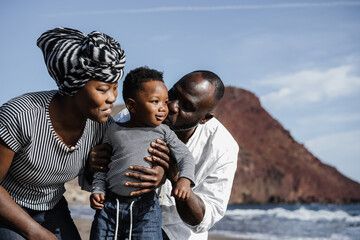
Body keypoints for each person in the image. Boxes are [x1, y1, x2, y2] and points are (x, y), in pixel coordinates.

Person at [0, 27, 127, 240]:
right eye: (103, 89)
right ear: (74, 86)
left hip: (52, 207)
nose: (112, 98)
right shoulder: (21, 116)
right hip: (7, 207)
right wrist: (35, 232)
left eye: (115, 88)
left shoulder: (101, 126)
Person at [114, 70, 239, 239]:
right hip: (126, 221)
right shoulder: (131, 117)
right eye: (173, 94)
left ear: (204, 118)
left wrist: (175, 176)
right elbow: (99, 182)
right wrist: (95, 163)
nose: (171, 106)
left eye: (186, 106)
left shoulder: (222, 148)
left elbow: (203, 218)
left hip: (178, 233)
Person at [89, 66, 196, 240]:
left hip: (146, 209)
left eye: (165, 101)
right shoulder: (113, 131)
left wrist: (185, 180)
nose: (163, 108)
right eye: (155, 101)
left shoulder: (164, 132)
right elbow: (103, 166)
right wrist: (98, 189)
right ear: (132, 105)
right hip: (109, 207)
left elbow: (185, 156)